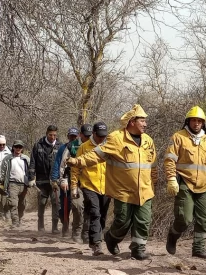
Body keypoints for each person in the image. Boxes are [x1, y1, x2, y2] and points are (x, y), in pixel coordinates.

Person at [68, 105, 157, 260]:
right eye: (142, 121)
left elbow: (153, 165)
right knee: (123, 221)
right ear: (131, 122)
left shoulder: (148, 141)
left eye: (145, 121)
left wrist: (154, 183)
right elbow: (96, 155)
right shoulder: (115, 138)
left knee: (143, 221)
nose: (145, 124)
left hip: (145, 189)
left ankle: (138, 249)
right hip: (123, 190)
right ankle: (111, 238)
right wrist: (77, 161)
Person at [164, 107, 206, 259]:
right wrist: (171, 178)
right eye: (193, 120)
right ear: (188, 121)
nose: (196, 123)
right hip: (185, 182)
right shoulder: (178, 137)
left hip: (203, 185)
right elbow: (170, 160)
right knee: (185, 218)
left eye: (199, 121)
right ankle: (173, 235)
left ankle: (199, 248)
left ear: (203, 123)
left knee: (204, 217)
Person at [71, 121, 111, 256]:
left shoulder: (109, 147)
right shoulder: (83, 147)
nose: (101, 138)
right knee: (95, 213)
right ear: (93, 133)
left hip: (106, 187)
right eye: (99, 136)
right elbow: (75, 168)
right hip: (89, 185)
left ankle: (93, 239)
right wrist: (74, 187)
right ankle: (97, 244)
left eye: (104, 136)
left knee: (103, 216)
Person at [51, 127, 87, 242]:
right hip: (66, 180)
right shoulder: (63, 148)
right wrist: (56, 180)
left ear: (78, 136)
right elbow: (58, 164)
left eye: (75, 136)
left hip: (81, 181)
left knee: (78, 206)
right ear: (68, 136)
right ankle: (65, 225)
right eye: (71, 136)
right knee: (64, 207)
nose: (73, 138)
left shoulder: (83, 147)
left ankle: (79, 230)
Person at [29, 125, 61, 233]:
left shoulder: (59, 146)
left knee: (56, 202)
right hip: (41, 181)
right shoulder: (38, 146)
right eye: (50, 135)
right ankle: (41, 225)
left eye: (54, 135)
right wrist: (32, 178)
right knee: (42, 203)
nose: (52, 137)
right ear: (46, 133)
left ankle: (55, 227)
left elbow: (63, 163)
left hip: (55, 181)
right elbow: (32, 162)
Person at [1, 140, 31, 228]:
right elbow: (3, 171)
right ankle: (15, 221)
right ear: (13, 147)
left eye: (20, 147)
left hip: (24, 184)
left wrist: (32, 179)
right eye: (16, 147)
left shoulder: (26, 158)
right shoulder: (8, 158)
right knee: (13, 203)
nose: (18, 149)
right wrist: (3, 182)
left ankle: (20, 218)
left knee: (22, 203)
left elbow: (31, 170)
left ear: (22, 148)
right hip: (12, 183)